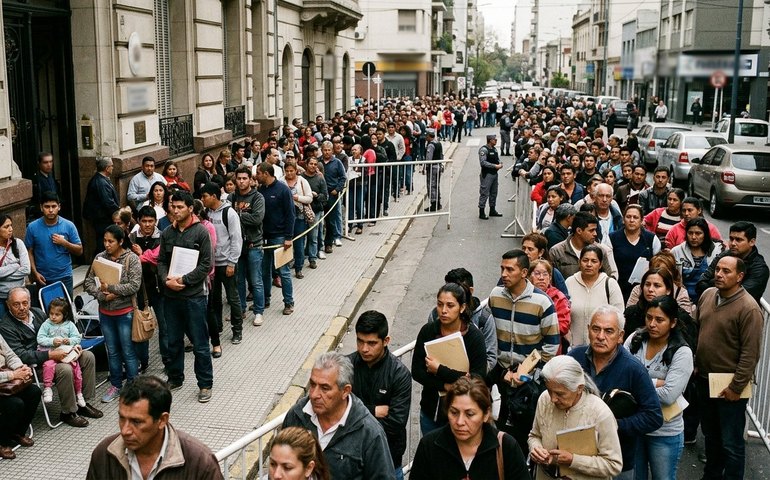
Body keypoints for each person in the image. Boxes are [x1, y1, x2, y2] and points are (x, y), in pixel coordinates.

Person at [569, 306, 663, 479]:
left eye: (609, 331)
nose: (600, 336)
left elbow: (654, 416)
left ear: (620, 336)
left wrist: (613, 426)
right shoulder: (574, 359)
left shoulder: (633, 370)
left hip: (617, 460)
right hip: (576, 456)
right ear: (588, 329)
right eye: (596, 329)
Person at [695, 254, 763, 480]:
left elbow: (750, 354)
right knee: (711, 437)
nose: (719, 274)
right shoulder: (707, 295)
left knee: (731, 443)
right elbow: (697, 330)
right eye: (718, 269)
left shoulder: (749, 309)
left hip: (730, 388)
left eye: (726, 271)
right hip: (704, 380)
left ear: (740, 277)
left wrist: (736, 387)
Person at [282, 352, 396, 480]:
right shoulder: (296, 416)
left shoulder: (369, 432)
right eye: (313, 385)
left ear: (345, 391)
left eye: (324, 388)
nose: (314, 394)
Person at [488, 249, 559, 452]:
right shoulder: (495, 296)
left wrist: (526, 372)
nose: (504, 274)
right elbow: (491, 337)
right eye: (502, 268)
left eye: (510, 269)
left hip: (528, 382)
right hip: (501, 376)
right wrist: (502, 372)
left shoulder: (543, 303)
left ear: (524, 272)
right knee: (499, 432)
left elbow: (551, 346)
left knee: (526, 435)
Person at [0, 287, 102, 427]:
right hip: (37, 364)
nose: (22, 308)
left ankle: (83, 402)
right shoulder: (6, 326)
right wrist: (50, 354)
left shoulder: (37, 312)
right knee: (64, 369)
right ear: (8, 305)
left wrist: (73, 346)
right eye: (16, 304)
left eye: (25, 303)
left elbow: (58, 330)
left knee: (87, 356)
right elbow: (21, 355)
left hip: (58, 349)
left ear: (30, 301)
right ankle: (68, 412)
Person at [86, 375, 224, 479]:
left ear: (162, 420)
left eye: (136, 422)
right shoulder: (104, 455)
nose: (125, 430)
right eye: (122, 418)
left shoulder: (199, 462)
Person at [625, 296, 694, 480]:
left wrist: (636, 385)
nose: (652, 324)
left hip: (664, 432)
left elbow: (669, 395)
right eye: (649, 318)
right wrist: (656, 382)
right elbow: (621, 377)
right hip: (636, 426)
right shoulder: (635, 339)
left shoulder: (682, 352)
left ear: (673, 323)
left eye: (659, 320)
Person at [157, 190, 215, 403]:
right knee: (173, 341)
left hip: (194, 297)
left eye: (180, 207)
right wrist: (166, 280)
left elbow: (206, 265)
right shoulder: (167, 233)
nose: (176, 210)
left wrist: (183, 280)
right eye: (173, 206)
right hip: (171, 296)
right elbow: (161, 261)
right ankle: (175, 377)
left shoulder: (201, 232)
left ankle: (205, 384)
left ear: (190, 208)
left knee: (200, 343)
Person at [411, 376, 530, 479]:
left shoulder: (506, 447)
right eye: (454, 412)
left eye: (469, 414)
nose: (460, 422)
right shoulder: (429, 446)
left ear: (486, 414)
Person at [529, 355, 623, 480]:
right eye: (549, 390)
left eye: (560, 394)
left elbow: (613, 465)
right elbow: (534, 436)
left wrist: (573, 460)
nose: (553, 399)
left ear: (579, 388)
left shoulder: (600, 413)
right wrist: (536, 449)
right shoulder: (544, 399)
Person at [412, 282, 487, 435]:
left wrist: (439, 369)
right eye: (440, 305)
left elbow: (477, 378)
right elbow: (417, 371)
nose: (444, 311)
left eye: (450, 305)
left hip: (464, 416)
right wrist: (444, 385)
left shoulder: (474, 337)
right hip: (431, 412)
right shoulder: (428, 331)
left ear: (462, 307)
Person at [348, 311, 412, 480]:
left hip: (388, 460)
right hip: (352, 462)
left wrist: (352, 419)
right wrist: (374, 410)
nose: (364, 348)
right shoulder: (346, 367)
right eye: (360, 341)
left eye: (371, 343)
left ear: (386, 341)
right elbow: (335, 411)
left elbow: (395, 423)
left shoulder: (399, 374)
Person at [84, 225, 142, 403]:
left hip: (125, 312)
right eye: (105, 241)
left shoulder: (131, 259)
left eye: (111, 241)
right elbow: (87, 282)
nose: (107, 245)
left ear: (121, 241)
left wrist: (111, 289)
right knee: (112, 351)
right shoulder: (99, 258)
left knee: (128, 351)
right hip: (105, 312)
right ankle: (116, 384)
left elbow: (134, 285)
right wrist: (102, 295)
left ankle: (133, 387)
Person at [200, 182, 243, 355]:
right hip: (211, 265)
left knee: (233, 298)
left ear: (214, 196)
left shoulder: (229, 213)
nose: (203, 199)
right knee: (214, 299)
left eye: (205, 196)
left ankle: (237, 329)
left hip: (227, 263)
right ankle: (217, 327)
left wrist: (232, 262)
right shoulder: (207, 213)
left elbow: (236, 239)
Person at [129, 206, 169, 369]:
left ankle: (167, 360)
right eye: (144, 221)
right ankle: (142, 362)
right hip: (138, 290)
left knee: (164, 325)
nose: (147, 224)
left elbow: (160, 258)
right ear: (138, 221)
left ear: (155, 222)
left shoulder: (163, 236)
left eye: (150, 221)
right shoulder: (131, 237)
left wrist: (142, 255)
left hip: (158, 288)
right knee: (140, 325)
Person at [696, 221, 769, 304]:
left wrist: (712, 284)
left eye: (738, 240)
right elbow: (701, 283)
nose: (733, 243)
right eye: (731, 239)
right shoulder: (725, 255)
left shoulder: (759, 269)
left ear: (752, 242)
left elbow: (738, 297)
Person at [256, 162, 295, 316]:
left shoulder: (283, 190)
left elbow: (290, 214)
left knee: (284, 271)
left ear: (266, 173)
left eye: (258, 173)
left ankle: (288, 302)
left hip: (280, 237)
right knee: (264, 270)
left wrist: (288, 237)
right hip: (264, 237)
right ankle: (265, 299)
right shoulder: (260, 191)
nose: (256, 176)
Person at [565, 245, 624, 347]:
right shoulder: (569, 282)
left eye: (594, 261)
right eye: (585, 260)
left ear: (600, 264)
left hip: (603, 346)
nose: (589, 264)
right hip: (573, 347)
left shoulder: (610, 284)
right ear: (579, 262)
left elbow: (619, 317)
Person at [25, 192, 83, 295]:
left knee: (65, 309)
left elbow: (79, 250)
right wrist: (35, 273)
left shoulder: (69, 225)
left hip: (64, 277)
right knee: (46, 310)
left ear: (59, 207)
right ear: (41, 208)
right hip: (43, 278)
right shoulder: (32, 227)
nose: (51, 210)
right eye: (47, 207)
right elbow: (29, 252)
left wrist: (65, 243)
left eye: (53, 206)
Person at [230, 166, 266, 326]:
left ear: (250, 180)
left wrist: (237, 216)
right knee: (239, 280)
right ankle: (241, 310)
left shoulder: (257, 197)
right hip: (237, 246)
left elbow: (257, 218)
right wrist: (244, 216)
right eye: (239, 179)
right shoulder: (232, 197)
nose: (242, 181)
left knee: (256, 280)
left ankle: (258, 311)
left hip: (254, 244)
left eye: (245, 178)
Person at [36, 297, 84, 404]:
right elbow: (40, 338)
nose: (53, 317)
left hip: (66, 352)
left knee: (76, 370)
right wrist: (52, 341)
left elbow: (77, 338)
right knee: (48, 365)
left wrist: (70, 341)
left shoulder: (69, 325)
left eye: (57, 315)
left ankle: (79, 393)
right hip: (52, 352)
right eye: (51, 313)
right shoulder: (46, 324)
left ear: (64, 315)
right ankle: (47, 388)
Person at [0, 333, 39, 459]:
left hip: (5, 377)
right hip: (6, 377)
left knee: (34, 392)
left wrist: (21, 368)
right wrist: (13, 375)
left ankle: (17, 433)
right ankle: (2, 442)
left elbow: (10, 355)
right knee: (15, 404)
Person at [610, 204, 661, 302]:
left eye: (635, 217)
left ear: (642, 220)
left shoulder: (651, 239)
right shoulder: (612, 238)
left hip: (644, 290)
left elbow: (657, 266)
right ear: (623, 219)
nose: (632, 220)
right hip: (619, 288)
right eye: (628, 217)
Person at [671, 218, 724, 304]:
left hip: (710, 299)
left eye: (698, 233)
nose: (693, 237)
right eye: (690, 233)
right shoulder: (676, 251)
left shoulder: (717, 252)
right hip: (682, 299)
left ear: (705, 234)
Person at [550, 212, 618, 279]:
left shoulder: (600, 250)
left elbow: (608, 278)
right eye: (591, 230)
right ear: (579, 231)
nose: (595, 234)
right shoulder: (557, 252)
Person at [529, 259, 571, 354]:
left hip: (551, 350)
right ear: (529, 276)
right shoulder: (523, 296)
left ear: (550, 277)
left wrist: (540, 328)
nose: (541, 278)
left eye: (545, 274)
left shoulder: (558, 297)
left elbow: (564, 325)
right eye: (537, 274)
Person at [282, 160, 313, 279]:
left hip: (299, 216)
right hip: (285, 217)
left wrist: (297, 197)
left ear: (296, 170)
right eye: (287, 171)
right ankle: (286, 264)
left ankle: (299, 267)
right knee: (286, 242)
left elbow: (309, 198)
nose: (289, 173)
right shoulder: (281, 181)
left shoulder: (302, 181)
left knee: (299, 243)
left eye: (292, 171)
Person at [83, 157, 120, 251]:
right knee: (102, 244)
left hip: (102, 218)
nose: (113, 168)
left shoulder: (102, 179)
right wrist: (119, 212)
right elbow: (108, 203)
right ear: (107, 168)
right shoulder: (100, 182)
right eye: (112, 166)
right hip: (102, 219)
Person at [0, 214, 30, 319]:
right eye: (6, 227)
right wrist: (15, 266)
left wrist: (2, 276)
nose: (10, 229)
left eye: (11, 225)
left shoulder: (18, 244)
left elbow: (26, 269)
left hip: (19, 296)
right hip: (1, 297)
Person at [301, 156, 327, 266]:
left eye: (315, 164)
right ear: (306, 165)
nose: (313, 166)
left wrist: (317, 196)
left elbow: (325, 196)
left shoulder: (320, 178)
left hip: (315, 210)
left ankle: (312, 258)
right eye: (311, 163)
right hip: (302, 210)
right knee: (301, 236)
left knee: (313, 236)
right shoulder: (300, 178)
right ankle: (300, 259)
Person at [28, 152, 62, 221]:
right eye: (45, 162)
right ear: (39, 163)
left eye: (50, 162)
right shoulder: (36, 180)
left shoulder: (51, 177)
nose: (49, 165)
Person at [478, 133, 503, 219]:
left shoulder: (495, 149)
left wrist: (500, 163)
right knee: (484, 193)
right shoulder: (484, 150)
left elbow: (497, 159)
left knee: (494, 192)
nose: (496, 141)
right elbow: (483, 162)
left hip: (494, 174)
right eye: (494, 139)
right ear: (490, 140)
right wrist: (494, 166)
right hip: (487, 174)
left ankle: (492, 210)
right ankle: (481, 211)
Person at [424, 129, 444, 212]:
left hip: (433, 167)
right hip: (438, 166)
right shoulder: (438, 143)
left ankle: (433, 203)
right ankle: (438, 202)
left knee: (431, 185)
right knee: (437, 185)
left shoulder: (431, 145)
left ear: (429, 136)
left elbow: (429, 158)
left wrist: (426, 167)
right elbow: (441, 155)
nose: (425, 137)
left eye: (426, 136)